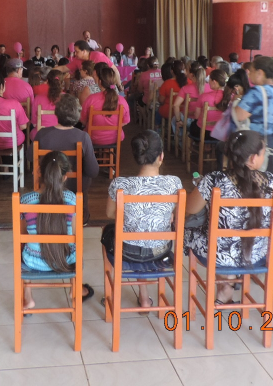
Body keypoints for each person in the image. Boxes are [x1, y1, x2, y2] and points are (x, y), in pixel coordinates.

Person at [184, 130, 273, 302]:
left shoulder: (214, 180)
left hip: (218, 257)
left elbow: (189, 208)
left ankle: (226, 283)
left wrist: (201, 188)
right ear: (253, 158)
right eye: (263, 153)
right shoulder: (270, 181)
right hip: (256, 255)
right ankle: (229, 283)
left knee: (191, 230)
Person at [105, 130, 183, 312]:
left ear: (136, 156)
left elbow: (110, 213)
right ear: (161, 156)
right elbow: (175, 215)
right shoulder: (174, 183)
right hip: (160, 250)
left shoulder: (120, 184)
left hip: (128, 251)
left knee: (108, 231)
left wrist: (132, 216)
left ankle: (136, 294)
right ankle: (144, 296)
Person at [20, 151, 94, 309]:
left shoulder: (25, 201)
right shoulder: (72, 199)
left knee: (24, 248)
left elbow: (22, 236)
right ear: (65, 177)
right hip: (65, 261)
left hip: (33, 262)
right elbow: (76, 235)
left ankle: (28, 297)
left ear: (40, 173)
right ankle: (75, 288)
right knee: (75, 247)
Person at [33, 94, 99, 224]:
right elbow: (93, 171)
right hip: (75, 188)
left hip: (48, 183)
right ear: (77, 114)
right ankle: (80, 217)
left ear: (57, 112)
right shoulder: (83, 137)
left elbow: (30, 157)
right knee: (85, 176)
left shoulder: (42, 133)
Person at [234, 56, 273, 187]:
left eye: (251, 71)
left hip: (257, 142)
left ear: (260, 72)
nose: (249, 74)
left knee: (254, 180)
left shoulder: (256, 92)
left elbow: (238, 115)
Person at [81, 66, 130, 146]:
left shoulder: (91, 99)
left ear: (100, 82)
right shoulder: (122, 100)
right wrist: (112, 126)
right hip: (115, 137)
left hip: (93, 137)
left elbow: (83, 120)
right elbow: (125, 121)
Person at [31, 69, 63, 138]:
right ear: (62, 82)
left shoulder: (38, 98)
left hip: (41, 136)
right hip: (61, 136)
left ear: (47, 81)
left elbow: (34, 123)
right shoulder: (67, 98)